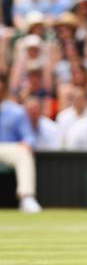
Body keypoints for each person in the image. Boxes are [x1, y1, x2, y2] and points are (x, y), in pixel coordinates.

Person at [0, 74, 42, 212]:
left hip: (10, 149)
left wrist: (27, 143)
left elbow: (29, 137)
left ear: (4, 88)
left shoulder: (17, 111)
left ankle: (26, 197)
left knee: (24, 152)